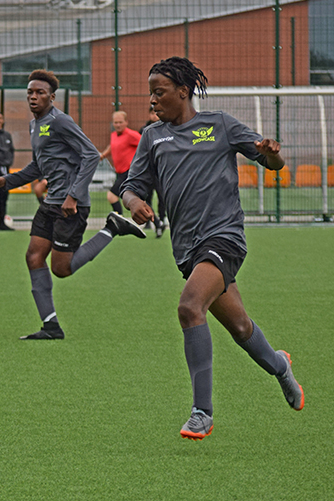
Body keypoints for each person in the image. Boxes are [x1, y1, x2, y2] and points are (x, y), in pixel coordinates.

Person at [120, 57, 304, 440]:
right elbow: (131, 186)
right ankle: (280, 366)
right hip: (187, 250)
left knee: (189, 307)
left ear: (184, 92)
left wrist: (271, 152)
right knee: (239, 326)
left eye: (160, 92)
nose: (152, 101)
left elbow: (274, 163)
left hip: (224, 238)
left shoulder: (219, 124)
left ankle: (202, 412)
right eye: (151, 93)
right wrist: (134, 202)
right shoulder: (153, 137)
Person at [0, 69, 145, 340]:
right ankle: (51, 327)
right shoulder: (34, 124)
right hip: (51, 202)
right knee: (33, 257)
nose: (33, 97)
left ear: (52, 96)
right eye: (30, 92)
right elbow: (38, 166)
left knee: (61, 268)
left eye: (39, 92)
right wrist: (7, 180)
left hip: (70, 205)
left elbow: (90, 156)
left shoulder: (61, 121)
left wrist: (74, 194)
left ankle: (112, 228)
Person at [99, 111, 141, 216]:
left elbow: (145, 145)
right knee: (135, 200)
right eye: (115, 122)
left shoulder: (131, 135)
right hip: (119, 172)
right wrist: (102, 156)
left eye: (120, 122)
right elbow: (111, 146)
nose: (118, 125)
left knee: (111, 196)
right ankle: (158, 223)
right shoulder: (113, 135)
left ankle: (119, 219)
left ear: (126, 122)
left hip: (128, 172)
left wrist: (138, 160)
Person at [139, 107, 168, 238]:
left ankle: (162, 219)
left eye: (156, 114)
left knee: (162, 197)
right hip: (148, 171)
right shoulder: (144, 131)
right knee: (147, 197)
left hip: (160, 170)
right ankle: (150, 220)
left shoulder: (165, 128)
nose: (154, 116)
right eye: (152, 113)